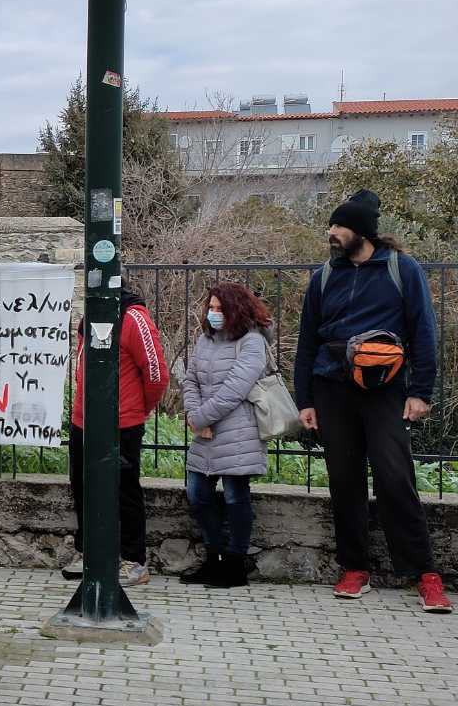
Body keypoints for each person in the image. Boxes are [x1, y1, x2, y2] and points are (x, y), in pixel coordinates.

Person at [296, 189, 451, 613]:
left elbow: (423, 331)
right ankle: (353, 567)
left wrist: (421, 391)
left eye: (338, 226)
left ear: (361, 231)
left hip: (386, 390)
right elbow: (308, 340)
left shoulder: (403, 270)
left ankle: (425, 574)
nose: (331, 232)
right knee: (343, 481)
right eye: (331, 225)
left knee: (395, 478)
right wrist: (304, 399)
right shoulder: (325, 276)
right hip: (332, 388)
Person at [62, 283, 168, 587]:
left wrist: (137, 409)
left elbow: (156, 374)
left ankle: (133, 560)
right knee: (82, 485)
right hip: (84, 419)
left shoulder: (133, 317)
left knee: (124, 490)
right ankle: (89, 553)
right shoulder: (88, 317)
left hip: (123, 422)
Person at [180, 282, 274, 590]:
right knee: (197, 493)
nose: (214, 313)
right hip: (205, 430)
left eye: (221, 308)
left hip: (238, 431)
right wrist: (196, 417)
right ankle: (214, 556)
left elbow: (236, 388)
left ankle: (235, 564)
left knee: (235, 496)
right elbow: (190, 380)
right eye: (211, 308)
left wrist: (200, 417)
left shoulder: (252, 341)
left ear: (237, 309)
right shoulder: (205, 340)